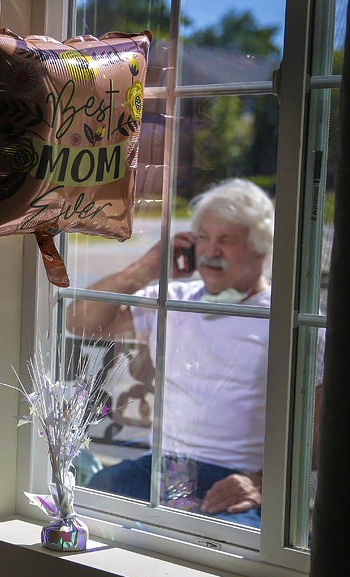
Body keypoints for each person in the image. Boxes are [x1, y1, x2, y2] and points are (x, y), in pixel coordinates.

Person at [65, 178, 281, 528]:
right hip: (163, 467)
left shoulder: (283, 317)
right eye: (203, 238)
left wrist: (262, 483)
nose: (211, 251)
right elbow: (80, 321)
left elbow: (316, 435)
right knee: (89, 502)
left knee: (237, 540)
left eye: (226, 240)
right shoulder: (173, 298)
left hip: (236, 478)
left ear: (260, 249)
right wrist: (147, 268)